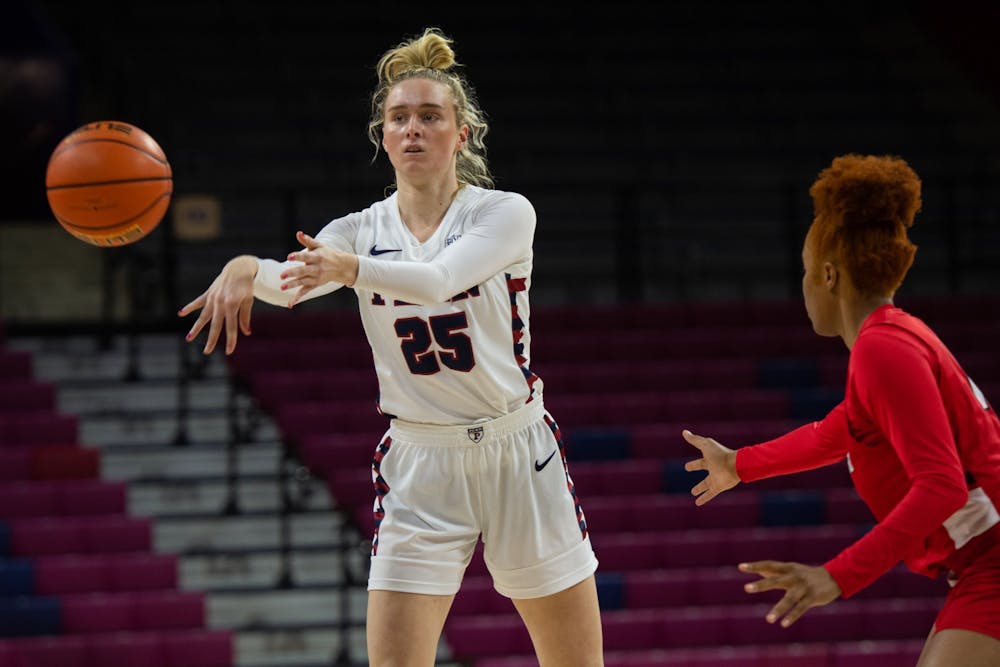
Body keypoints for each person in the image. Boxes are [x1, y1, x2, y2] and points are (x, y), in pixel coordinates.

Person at [178, 27, 603, 667]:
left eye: (430, 117)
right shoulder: (357, 231)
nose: (413, 130)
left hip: (517, 452)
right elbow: (290, 285)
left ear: (462, 135)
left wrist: (350, 271)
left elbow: (436, 281)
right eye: (399, 118)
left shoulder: (504, 213)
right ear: (382, 136)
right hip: (419, 461)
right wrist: (246, 266)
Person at [682, 154, 1000, 666]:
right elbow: (833, 434)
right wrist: (736, 464)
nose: (804, 289)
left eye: (805, 273)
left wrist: (836, 576)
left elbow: (941, 486)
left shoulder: (884, 349)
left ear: (828, 276)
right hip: (980, 569)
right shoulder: (892, 340)